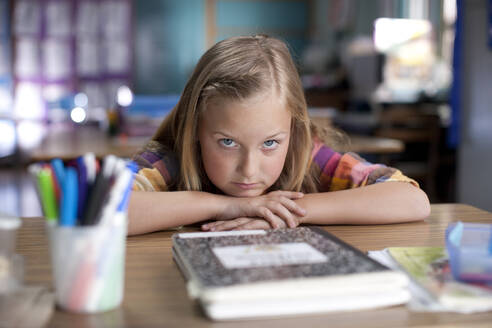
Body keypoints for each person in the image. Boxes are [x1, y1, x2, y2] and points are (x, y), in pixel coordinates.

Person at [128, 35, 430, 235]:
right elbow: (103, 207)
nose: (249, 169)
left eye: (270, 143)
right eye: (227, 142)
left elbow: (413, 200)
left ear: (293, 128)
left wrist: (286, 211)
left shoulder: (306, 152)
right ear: (195, 130)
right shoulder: (173, 157)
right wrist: (228, 206)